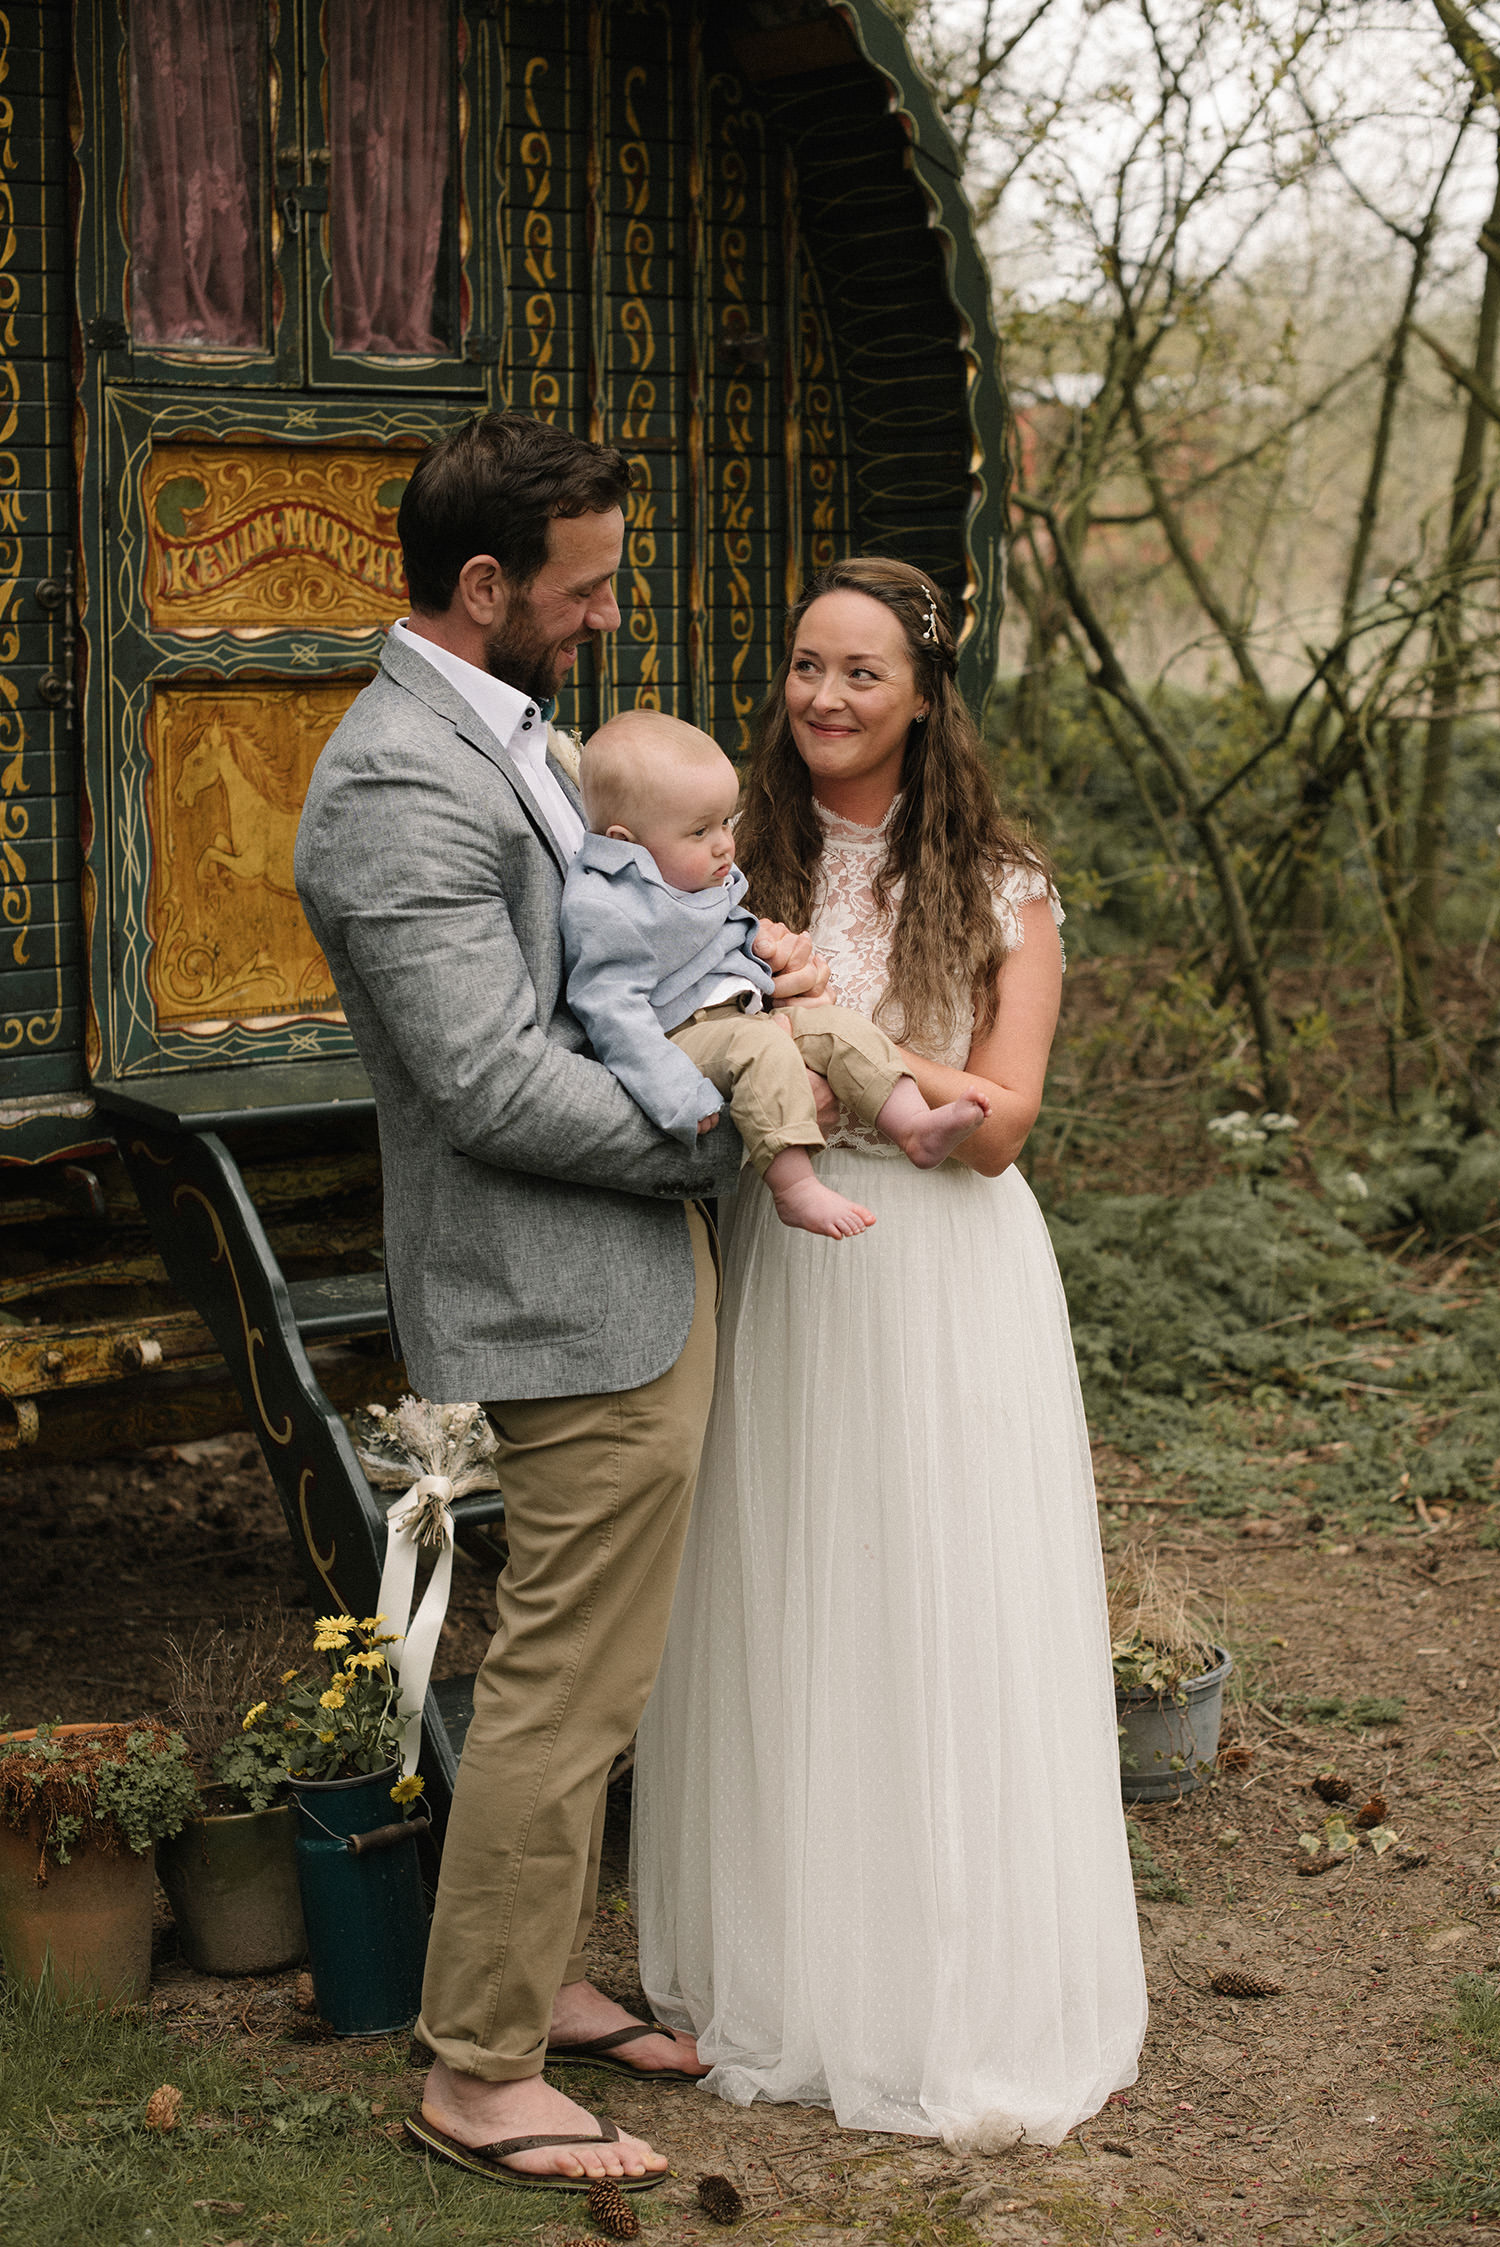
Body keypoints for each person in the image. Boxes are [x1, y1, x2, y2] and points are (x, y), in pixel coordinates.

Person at [294, 411, 828, 2194]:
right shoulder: (393, 783)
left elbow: (609, 964)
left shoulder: (507, 735)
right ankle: (476, 2072)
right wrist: (717, 1141)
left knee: (593, 1674)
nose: (604, 619)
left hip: (614, 1280)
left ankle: (523, 1982)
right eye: (583, 589)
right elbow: (494, 1085)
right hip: (556, 1291)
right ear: (483, 584)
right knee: (561, 1686)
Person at [631, 557, 1148, 2150]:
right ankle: (796, 1959)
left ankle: (953, 1980)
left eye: (861, 672)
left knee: (941, 1597)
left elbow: (997, 1130)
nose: (826, 697)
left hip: (943, 1272)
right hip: (792, 1263)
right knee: (796, 1592)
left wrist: (836, 1038)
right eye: (804, 666)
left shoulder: (1005, 887)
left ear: (924, 694)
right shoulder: (726, 858)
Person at [561, 710, 991, 1238]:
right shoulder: (604, 906)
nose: (723, 843)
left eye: (724, 821)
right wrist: (672, 1090)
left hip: (738, 1018)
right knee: (760, 1051)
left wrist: (762, 952)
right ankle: (794, 1187)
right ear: (626, 841)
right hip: (676, 1039)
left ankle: (913, 1125)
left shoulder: (684, 872)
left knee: (839, 1027)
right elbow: (610, 1009)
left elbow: (718, 943)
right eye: (700, 830)